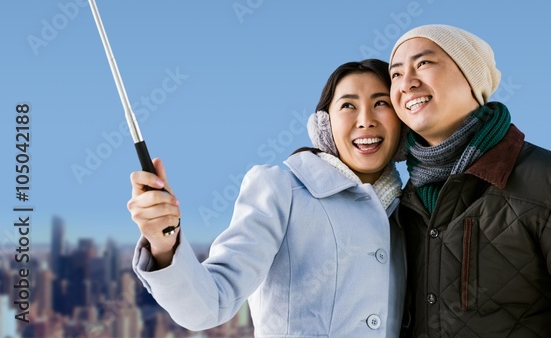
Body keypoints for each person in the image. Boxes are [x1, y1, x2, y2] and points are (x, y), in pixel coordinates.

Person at [388, 24, 551, 338]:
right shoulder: (401, 205)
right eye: (396, 74)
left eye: (424, 63)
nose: (407, 83)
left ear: (471, 78)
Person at [128, 59, 407, 336]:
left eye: (381, 103)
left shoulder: (410, 212)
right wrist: (163, 244)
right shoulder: (282, 190)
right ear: (324, 124)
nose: (366, 121)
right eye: (348, 105)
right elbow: (210, 304)